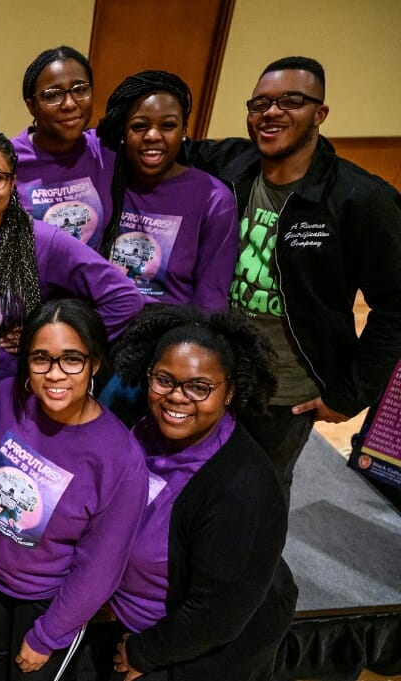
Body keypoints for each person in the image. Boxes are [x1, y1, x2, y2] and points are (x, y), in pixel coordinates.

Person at [183, 56, 401, 496]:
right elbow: (159, 139)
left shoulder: (360, 200)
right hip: (213, 369)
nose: (272, 112)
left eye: (291, 101)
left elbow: (396, 306)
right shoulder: (231, 164)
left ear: (319, 114)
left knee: (257, 496)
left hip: (285, 392)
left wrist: (350, 393)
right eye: (260, 103)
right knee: (192, 483)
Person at [106, 305, 297, 680]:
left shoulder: (243, 490)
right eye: (164, 380)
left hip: (178, 652)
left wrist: (144, 654)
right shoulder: (141, 427)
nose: (177, 397)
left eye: (199, 387)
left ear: (229, 394)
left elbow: (216, 617)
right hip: (117, 618)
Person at [0, 299, 146, 680]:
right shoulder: (6, 399)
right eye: (41, 359)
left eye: (72, 359)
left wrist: (49, 635)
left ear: (95, 364)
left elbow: (101, 565)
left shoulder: (120, 458)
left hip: (47, 602)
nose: (55, 374)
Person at [0, 127, 143, 382]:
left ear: (12, 182)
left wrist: (47, 339)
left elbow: (124, 300)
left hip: (11, 399)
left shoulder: (42, 241)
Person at [94, 70, 237, 312]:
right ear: (123, 133)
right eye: (139, 126)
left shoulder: (214, 199)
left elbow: (210, 301)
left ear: (183, 131)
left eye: (168, 125)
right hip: (99, 326)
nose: (152, 136)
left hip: (168, 334)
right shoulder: (105, 179)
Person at [13, 46, 114, 249]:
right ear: (31, 105)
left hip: (94, 278)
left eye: (80, 90)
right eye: (53, 95)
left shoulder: (105, 150)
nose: (69, 103)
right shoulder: (8, 160)